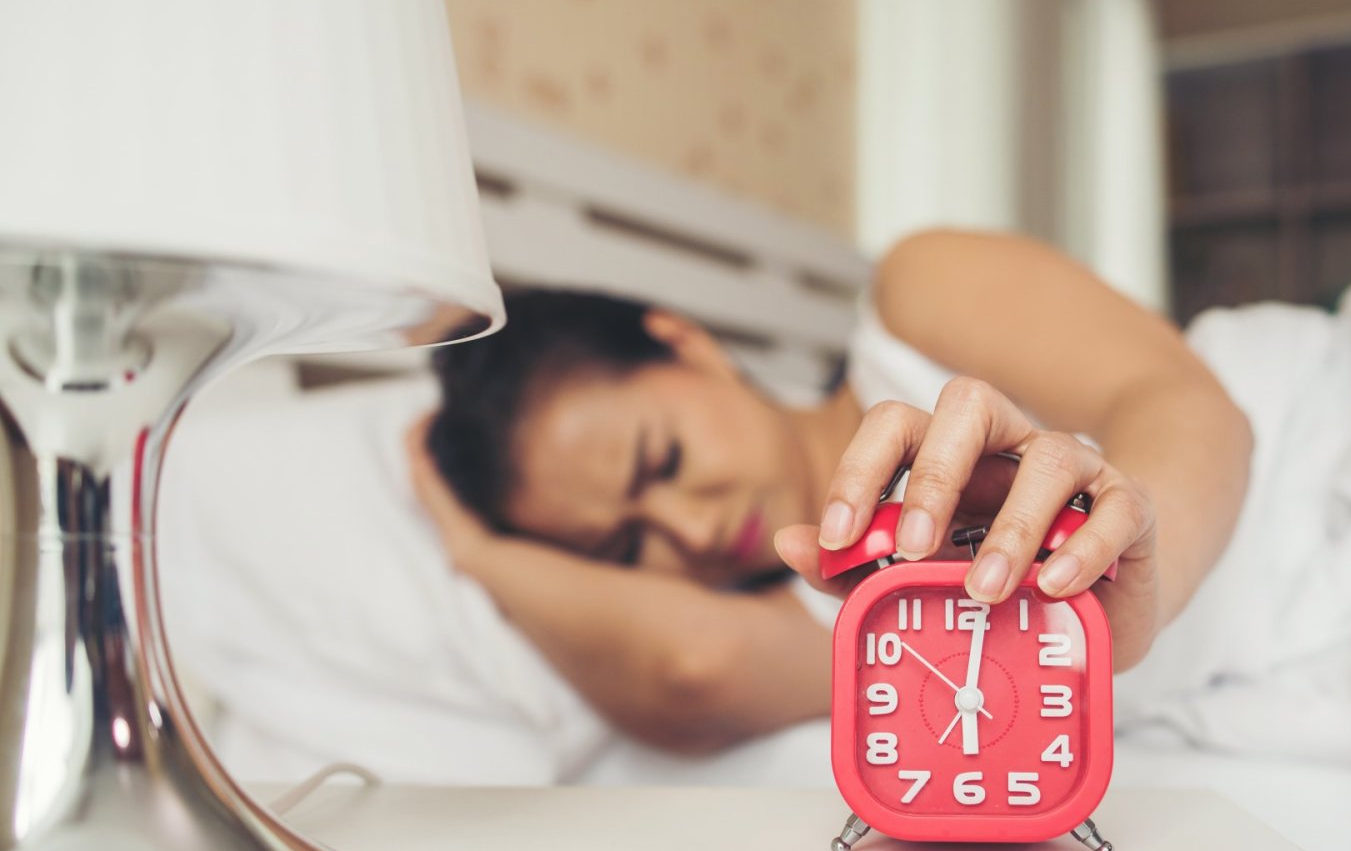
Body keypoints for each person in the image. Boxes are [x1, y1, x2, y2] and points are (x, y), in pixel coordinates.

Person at [410, 230, 1252, 754]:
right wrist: (476, 552)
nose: (691, 531)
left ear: (684, 343)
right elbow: (691, 668)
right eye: (627, 548)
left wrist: (1138, 570)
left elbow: (1181, 400)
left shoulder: (918, 299)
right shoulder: (826, 613)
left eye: (660, 461)